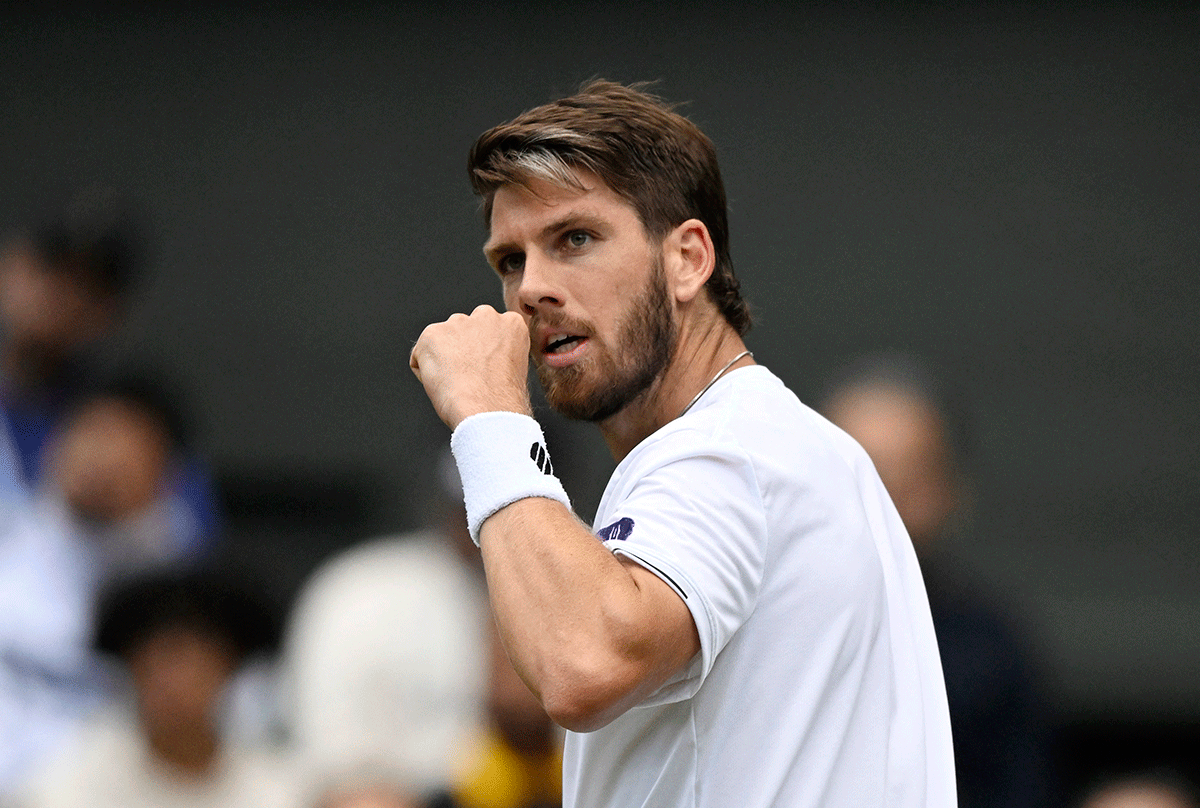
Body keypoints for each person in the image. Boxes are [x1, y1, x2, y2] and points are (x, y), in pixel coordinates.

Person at [409, 80, 956, 808]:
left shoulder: (724, 451)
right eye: (510, 260)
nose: (531, 288)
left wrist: (488, 417)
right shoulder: (773, 442)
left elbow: (580, 664)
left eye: (575, 239)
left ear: (688, 259)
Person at [820, 352, 1056, 808]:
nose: (880, 506)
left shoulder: (990, 651)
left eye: (904, 482)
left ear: (951, 490)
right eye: (857, 477)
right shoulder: (741, 624)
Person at [0, 189, 220, 546]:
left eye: (90, 283)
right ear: (11, 265)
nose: (61, 294)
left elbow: (189, 554)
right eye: (51, 266)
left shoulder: (139, 422)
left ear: (113, 311)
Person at [10, 568, 295, 808]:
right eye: (154, 665)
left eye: (189, 663)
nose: (171, 683)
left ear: (228, 669)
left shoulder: (277, 789)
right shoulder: (67, 787)